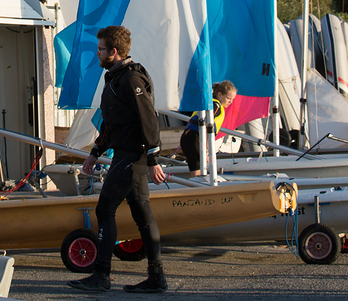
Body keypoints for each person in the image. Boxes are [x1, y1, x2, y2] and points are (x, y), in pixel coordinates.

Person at [69, 26, 168, 294]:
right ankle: (156, 278)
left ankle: (101, 274)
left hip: (132, 156)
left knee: (105, 210)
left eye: (100, 49)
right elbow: (111, 122)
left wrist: (153, 158)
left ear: (113, 52)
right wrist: (95, 152)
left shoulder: (131, 79)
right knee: (142, 215)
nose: (97, 53)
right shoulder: (113, 78)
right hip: (123, 154)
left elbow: (148, 118)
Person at [179, 80, 236, 177]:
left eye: (232, 99)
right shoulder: (215, 105)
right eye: (228, 98)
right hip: (194, 139)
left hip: (190, 138)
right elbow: (206, 126)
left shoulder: (209, 104)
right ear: (219, 94)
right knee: (198, 174)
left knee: (199, 172)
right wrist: (207, 151)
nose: (230, 102)